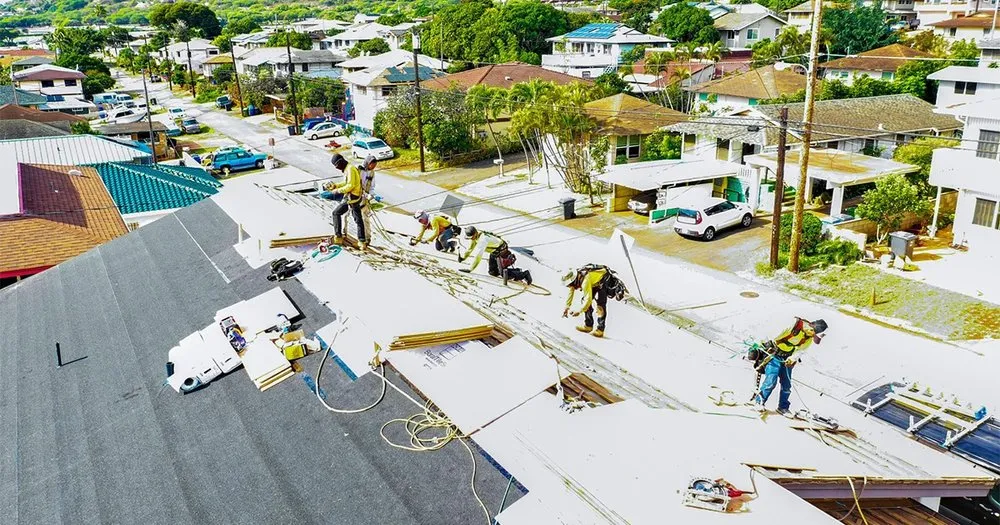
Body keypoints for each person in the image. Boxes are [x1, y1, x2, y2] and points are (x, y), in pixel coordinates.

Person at [754, 318, 828, 416]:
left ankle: (783, 407)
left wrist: (793, 358)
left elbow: (801, 350)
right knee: (771, 380)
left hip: (787, 357)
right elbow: (771, 335)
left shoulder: (808, 338)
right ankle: (759, 402)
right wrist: (764, 346)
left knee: (786, 385)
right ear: (811, 327)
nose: (811, 336)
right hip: (774, 355)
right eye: (812, 333)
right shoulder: (792, 326)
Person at [561, 264, 627, 339]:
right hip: (594, 282)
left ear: (573, 281)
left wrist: (579, 311)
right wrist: (567, 307)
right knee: (584, 301)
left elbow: (588, 299)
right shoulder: (577, 276)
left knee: (600, 306)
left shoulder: (585, 281)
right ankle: (588, 326)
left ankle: (600, 330)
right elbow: (571, 291)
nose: (569, 287)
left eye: (569, 285)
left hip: (603, 281)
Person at [328, 153, 377, 249]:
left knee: (336, 213)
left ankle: (338, 238)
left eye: (337, 166)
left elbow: (350, 185)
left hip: (352, 198)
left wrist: (337, 191)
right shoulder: (349, 168)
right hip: (355, 197)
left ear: (340, 162)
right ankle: (362, 242)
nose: (337, 168)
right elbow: (346, 183)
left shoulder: (350, 169)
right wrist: (336, 185)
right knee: (358, 219)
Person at [458, 226, 532, 285]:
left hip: (501, 251)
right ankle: (516, 271)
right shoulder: (476, 237)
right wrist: (463, 257)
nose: (471, 239)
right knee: (492, 272)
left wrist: (470, 269)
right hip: (494, 252)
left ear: (475, 234)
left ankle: (524, 274)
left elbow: (478, 256)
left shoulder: (483, 240)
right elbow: (470, 249)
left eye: (471, 237)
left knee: (504, 274)